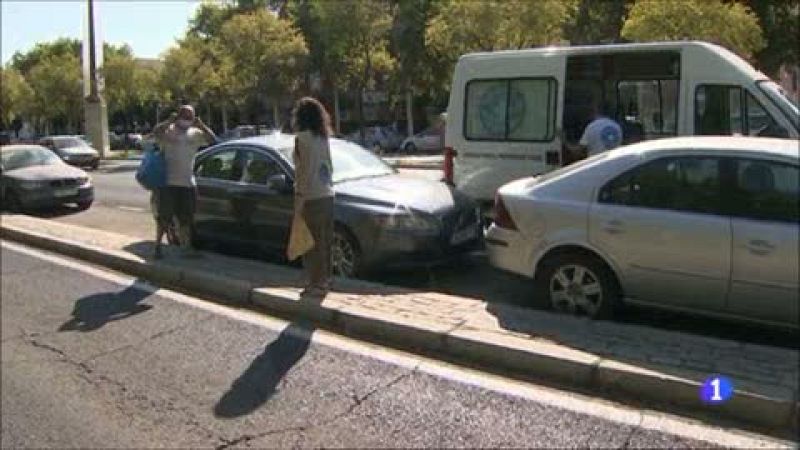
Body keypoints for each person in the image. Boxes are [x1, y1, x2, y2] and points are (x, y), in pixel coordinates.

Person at [151, 105, 216, 259]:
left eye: (190, 117)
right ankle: (158, 246)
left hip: (187, 183)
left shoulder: (195, 133)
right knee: (164, 218)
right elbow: (155, 133)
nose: (186, 120)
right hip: (168, 183)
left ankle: (186, 248)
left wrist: (202, 126)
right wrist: (168, 122)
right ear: (177, 115)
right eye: (184, 116)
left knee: (186, 218)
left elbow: (213, 140)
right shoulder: (168, 130)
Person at [291, 97, 335, 295]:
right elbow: (329, 166)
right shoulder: (323, 137)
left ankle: (314, 284)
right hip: (327, 193)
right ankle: (324, 281)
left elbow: (302, 171)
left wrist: (299, 197)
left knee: (310, 243)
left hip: (310, 196)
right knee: (324, 242)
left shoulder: (301, 139)